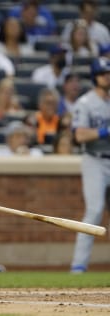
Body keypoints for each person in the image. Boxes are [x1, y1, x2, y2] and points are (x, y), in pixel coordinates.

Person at [70, 57, 110, 273]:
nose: (108, 77)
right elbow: (79, 135)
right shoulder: (85, 102)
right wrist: (105, 132)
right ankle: (78, 267)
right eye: (104, 74)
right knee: (94, 212)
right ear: (96, 77)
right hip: (95, 159)